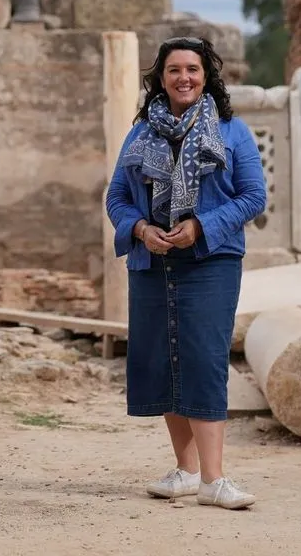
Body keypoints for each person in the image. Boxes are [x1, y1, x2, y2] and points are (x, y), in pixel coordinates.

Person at [104, 35, 267, 510]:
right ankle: (186, 471)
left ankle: (215, 480)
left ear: (206, 75)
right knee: (163, 360)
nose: (184, 78)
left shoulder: (233, 132)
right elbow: (115, 198)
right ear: (161, 78)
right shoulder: (139, 135)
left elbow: (253, 197)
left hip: (210, 262)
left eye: (192, 69)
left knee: (203, 358)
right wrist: (138, 229)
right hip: (152, 262)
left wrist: (202, 225)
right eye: (174, 70)